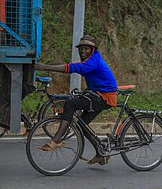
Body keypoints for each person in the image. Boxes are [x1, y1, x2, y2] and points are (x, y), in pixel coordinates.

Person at [34, 35, 118, 165]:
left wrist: (45, 67)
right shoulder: (91, 59)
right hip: (97, 94)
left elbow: (72, 68)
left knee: (70, 104)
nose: (83, 51)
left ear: (92, 50)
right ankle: (101, 153)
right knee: (81, 126)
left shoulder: (93, 62)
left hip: (105, 97)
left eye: (87, 49)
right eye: (81, 49)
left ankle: (56, 140)